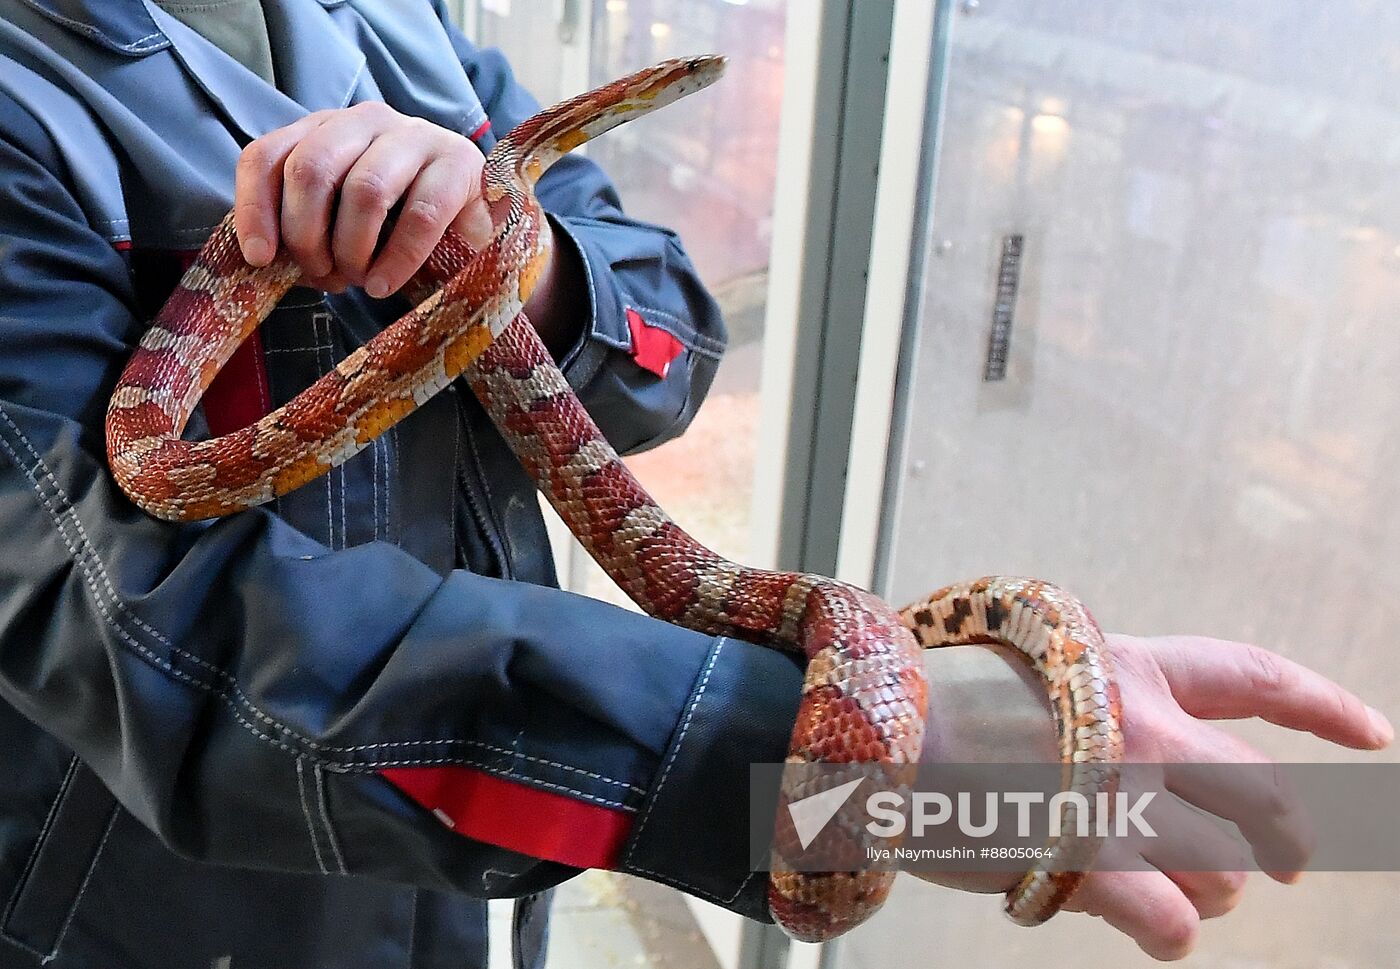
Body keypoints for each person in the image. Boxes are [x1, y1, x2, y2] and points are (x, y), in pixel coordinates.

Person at [0, 2, 1388, 967]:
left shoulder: (398, 27)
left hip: (478, 899)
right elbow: (154, 644)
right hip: (170, 917)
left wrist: (514, 257)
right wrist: (843, 768)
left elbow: (669, 333)